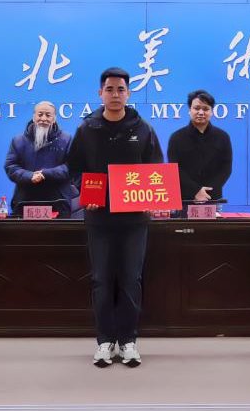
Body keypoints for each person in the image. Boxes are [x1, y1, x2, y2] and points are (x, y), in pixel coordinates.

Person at [67, 67, 163, 368]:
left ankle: (129, 341)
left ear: (128, 93)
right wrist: (86, 192)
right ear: (100, 93)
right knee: (102, 279)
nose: (115, 95)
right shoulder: (87, 129)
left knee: (131, 279)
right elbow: (74, 169)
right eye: (109, 89)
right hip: (99, 219)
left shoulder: (144, 129)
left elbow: (155, 170)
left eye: (121, 89)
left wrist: (152, 198)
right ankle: (105, 341)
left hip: (134, 220)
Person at [4, 101, 78, 217]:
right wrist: (30, 176)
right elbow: (11, 167)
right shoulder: (18, 141)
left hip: (58, 203)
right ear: (34, 117)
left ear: (54, 119)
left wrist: (45, 174)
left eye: (48, 115)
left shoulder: (66, 139)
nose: (43, 119)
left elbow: (72, 166)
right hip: (25, 201)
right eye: (40, 114)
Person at [166, 89, 233, 203]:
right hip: (185, 199)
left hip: (212, 198)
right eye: (196, 108)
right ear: (189, 110)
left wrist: (207, 192)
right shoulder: (176, 137)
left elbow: (226, 168)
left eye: (206, 109)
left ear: (212, 112)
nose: (201, 112)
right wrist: (195, 191)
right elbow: (174, 169)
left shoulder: (222, 137)